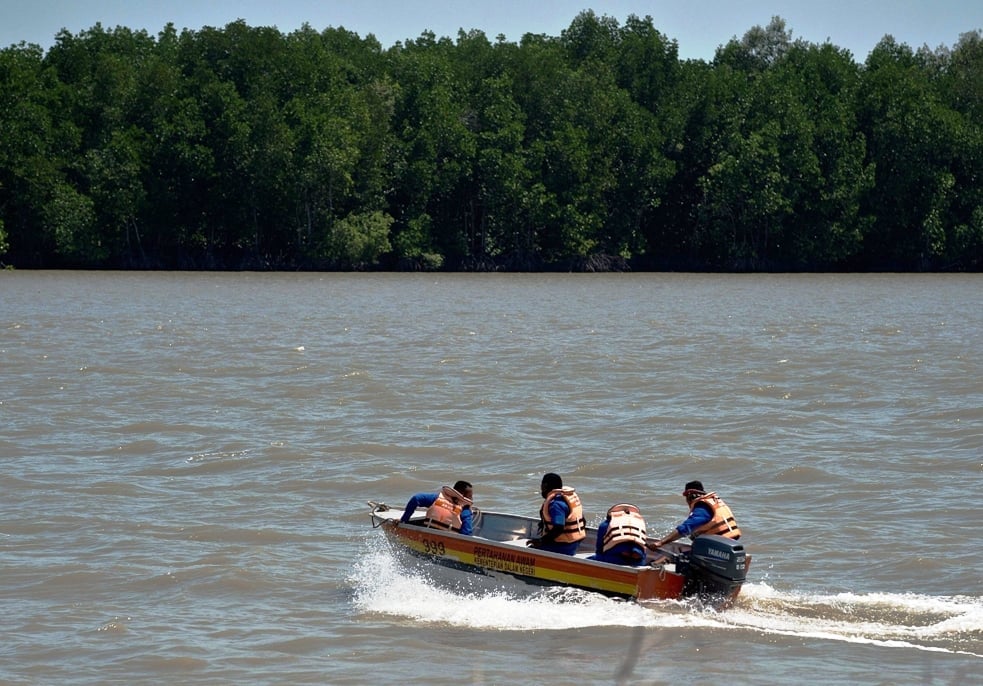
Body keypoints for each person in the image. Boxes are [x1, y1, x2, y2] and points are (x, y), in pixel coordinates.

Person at [645, 480, 741, 553]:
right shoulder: (715, 503)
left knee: (680, 560)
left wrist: (661, 543)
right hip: (730, 545)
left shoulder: (702, 508)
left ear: (690, 496)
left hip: (718, 549)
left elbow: (686, 528)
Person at [526, 473, 586, 555]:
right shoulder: (567, 499)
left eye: (542, 486)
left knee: (530, 550)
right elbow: (583, 521)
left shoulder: (555, 505)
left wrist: (541, 541)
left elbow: (559, 528)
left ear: (545, 486)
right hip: (575, 544)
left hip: (563, 548)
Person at [400, 480, 474, 535]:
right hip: (449, 541)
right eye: (470, 496)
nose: (471, 499)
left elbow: (416, 498)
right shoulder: (465, 510)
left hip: (427, 534)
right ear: (462, 494)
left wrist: (404, 520)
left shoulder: (437, 498)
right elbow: (466, 532)